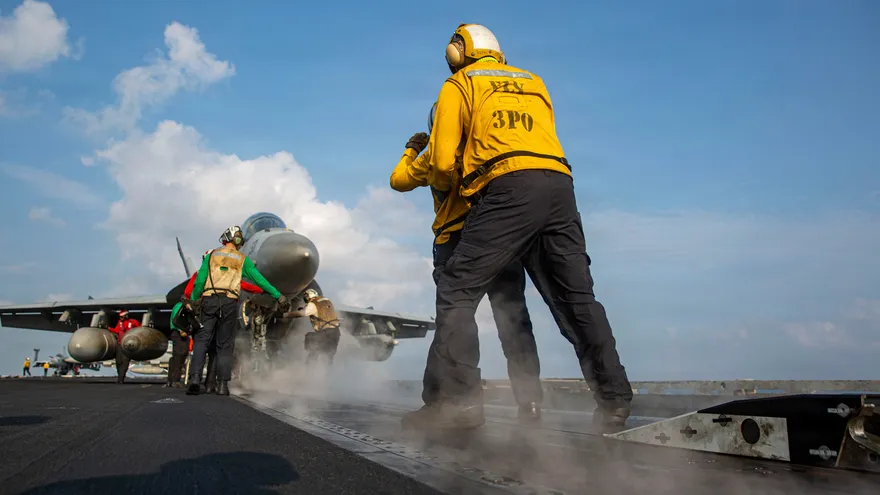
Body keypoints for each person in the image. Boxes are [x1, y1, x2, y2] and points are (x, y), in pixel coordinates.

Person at [401, 23, 632, 433]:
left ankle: (460, 405)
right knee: (574, 299)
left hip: (506, 189)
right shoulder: (534, 82)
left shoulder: (460, 84)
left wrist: (445, 175)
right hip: (560, 186)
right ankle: (613, 401)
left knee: (456, 291)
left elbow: (438, 165)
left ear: (458, 52)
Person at [390, 102, 543, 422]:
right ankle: (530, 403)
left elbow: (399, 179)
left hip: (456, 242)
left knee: (454, 321)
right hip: (504, 240)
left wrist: (412, 149)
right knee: (514, 320)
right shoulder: (490, 146)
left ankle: (454, 402)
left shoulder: (435, 155)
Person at [187, 226, 289, 396]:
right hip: (229, 303)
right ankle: (222, 385)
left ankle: (195, 379)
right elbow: (259, 280)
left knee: (201, 341)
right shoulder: (242, 259)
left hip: (210, 300)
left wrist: (195, 300)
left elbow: (200, 280)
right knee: (225, 345)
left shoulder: (211, 255)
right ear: (239, 241)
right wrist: (278, 295)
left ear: (225, 238)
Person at [169, 262, 265, 390]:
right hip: (222, 314)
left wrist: (194, 301)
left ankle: (195, 379)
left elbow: (190, 291)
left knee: (201, 346)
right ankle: (215, 384)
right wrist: (265, 290)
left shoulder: (203, 274)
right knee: (219, 349)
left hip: (206, 313)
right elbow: (245, 286)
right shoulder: (229, 275)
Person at [289, 289, 342, 369]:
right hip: (336, 332)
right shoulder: (326, 301)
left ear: (308, 296)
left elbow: (302, 313)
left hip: (325, 333)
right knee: (329, 356)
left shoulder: (313, 303)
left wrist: (284, 315)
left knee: (312, 345)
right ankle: (329, 375)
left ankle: (310, 372)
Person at [109, 309, 141, 384]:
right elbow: (117, 331)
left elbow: (140, 329)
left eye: (122, 317)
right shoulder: (120, 323)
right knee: (118, 361)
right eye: (120, 317)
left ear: (126, 316)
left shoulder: (133, 322)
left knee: (125, 361)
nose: (121, 319)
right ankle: (120, 376)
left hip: (128, 345)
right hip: (120, 344)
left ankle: (121, 378)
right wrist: (109, 328)